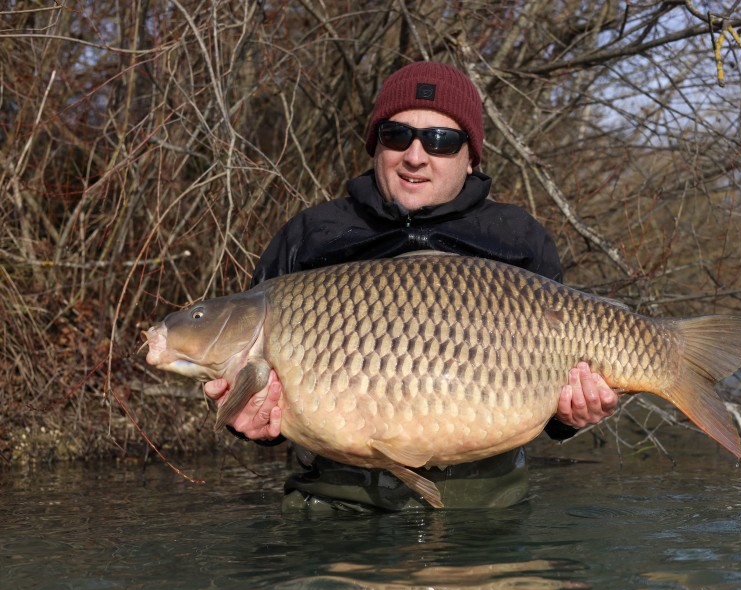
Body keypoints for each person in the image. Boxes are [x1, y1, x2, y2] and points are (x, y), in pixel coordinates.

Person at [205, 61, 619, 512]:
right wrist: (245, 417)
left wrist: (573, 416)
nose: (416, 156)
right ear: (376, 145)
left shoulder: (520, 239)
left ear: (471, 155)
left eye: (442, 140)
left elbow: (554, 416)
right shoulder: (312, 234)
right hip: (336, 509)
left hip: (484, 517)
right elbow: (254, 384)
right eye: (397, 136)